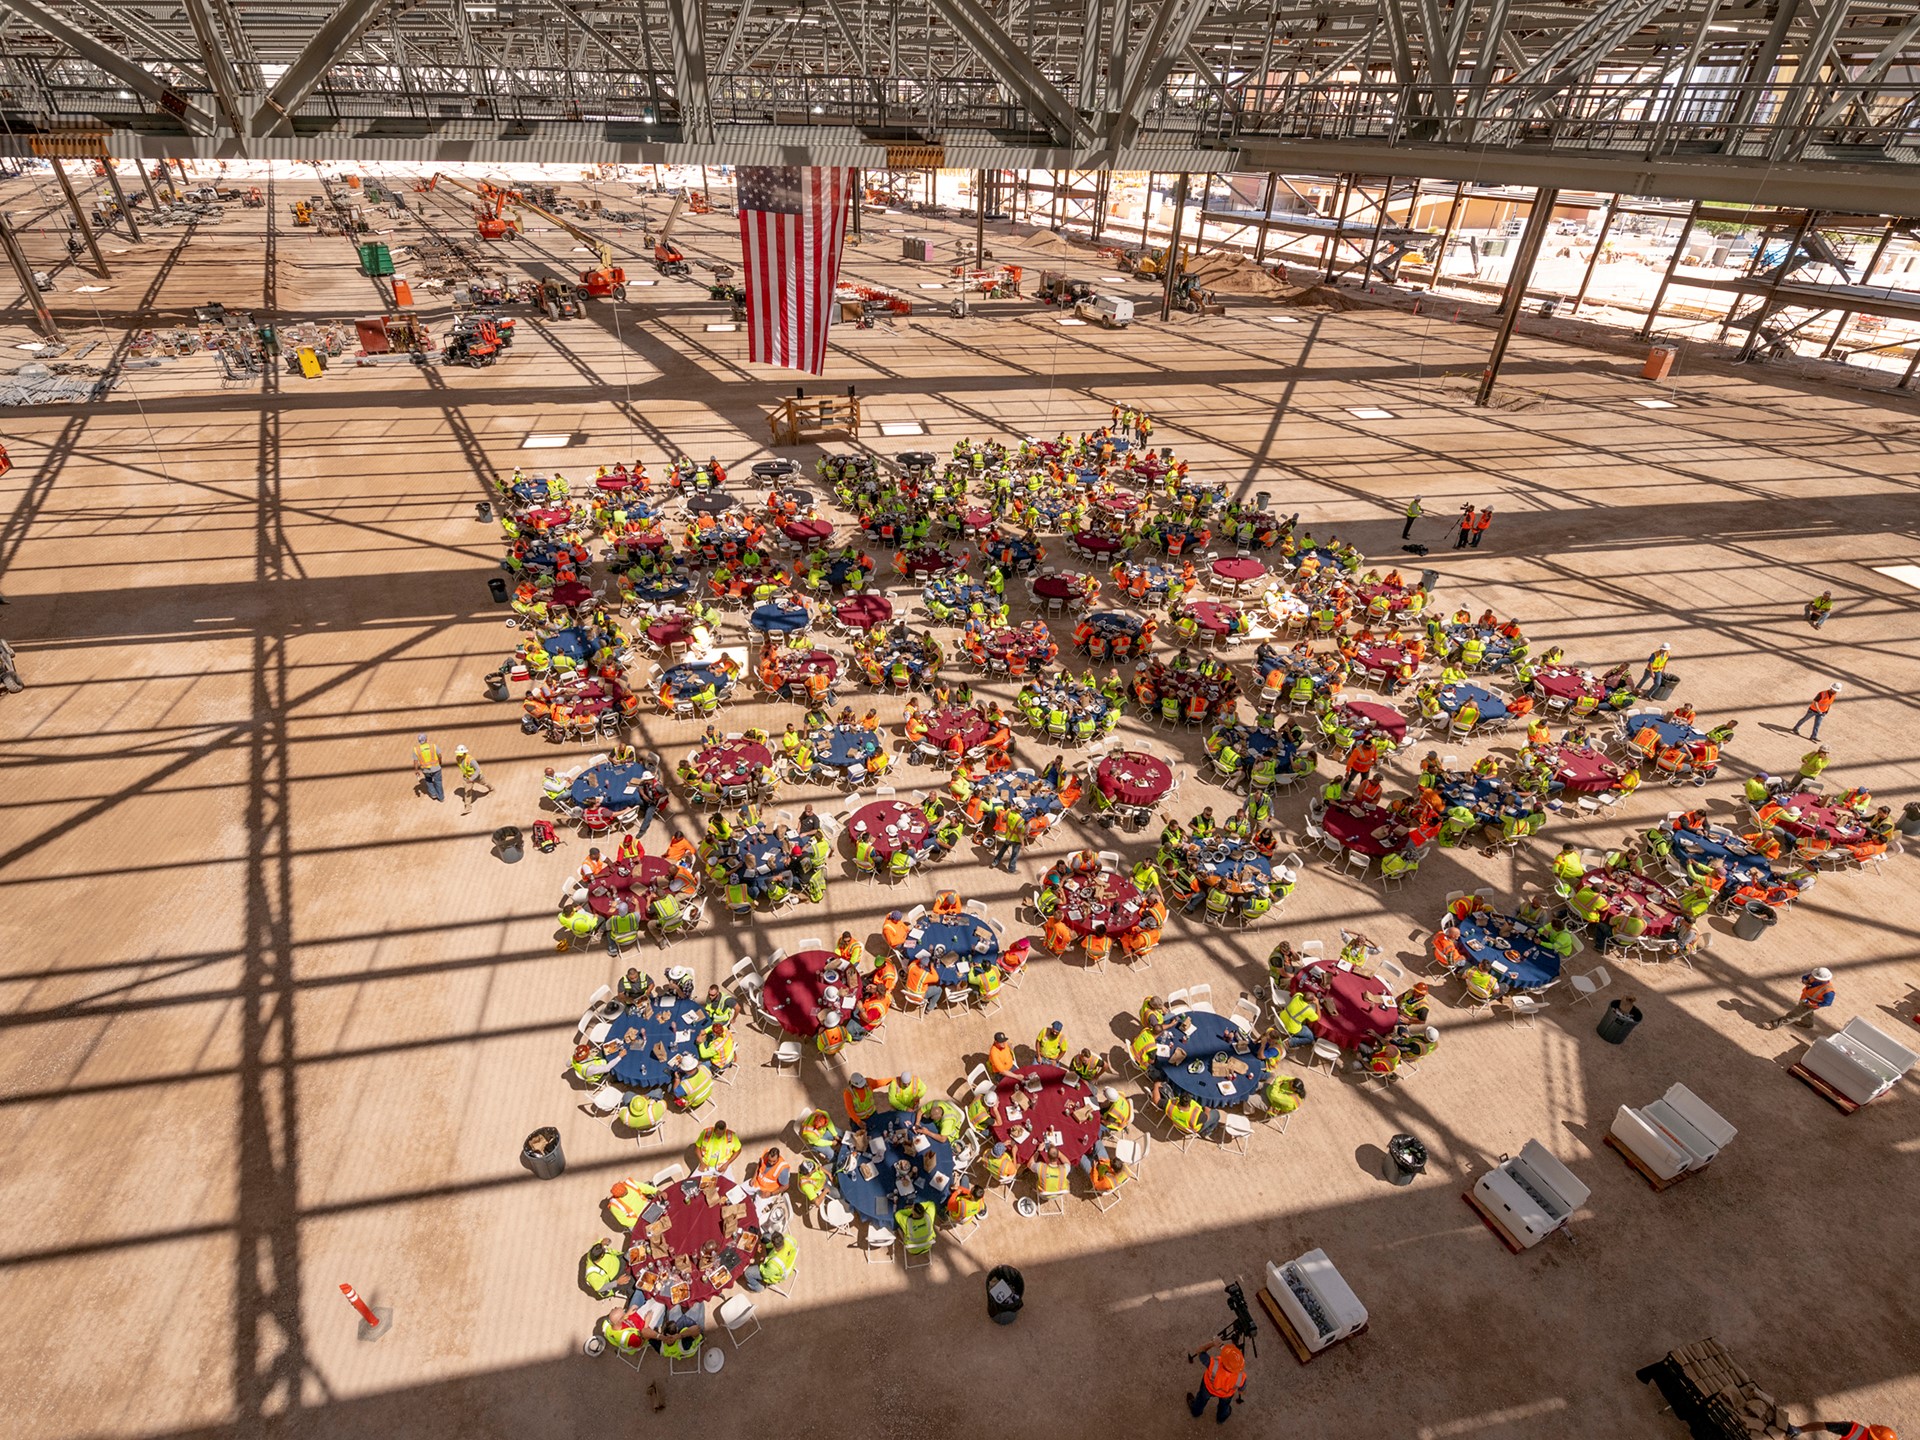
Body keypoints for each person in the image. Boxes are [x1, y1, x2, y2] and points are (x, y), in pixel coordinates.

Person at [1187, 1337, 1249, 1423]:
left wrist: (1213, 1343)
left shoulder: (1214, 1364)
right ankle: (1221, 1417)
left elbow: (1200, 1350)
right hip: (1226, 1394)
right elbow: (1241, 1391)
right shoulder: (1241, 1376)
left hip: (1208, 1388)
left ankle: (1196, 1411)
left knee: (1201, 1399)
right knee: (1224, 1405)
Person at [1764, 967, 1836, 1030]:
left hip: (1810, 1004)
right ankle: (1807, 1023)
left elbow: (1827, 1003)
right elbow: (1805, 977)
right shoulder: (1814, 976)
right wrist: (1804, 980)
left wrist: (1812, 1004)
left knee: (1793, 1015)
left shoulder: (1828, 991)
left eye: (1815, 978)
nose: (1812, 978)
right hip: (1804, 998)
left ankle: (1773, 1024)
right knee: (1807, 1012)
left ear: (1822, 980)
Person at [452, 744, 493, 813]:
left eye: (460, 754)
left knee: (485, 783)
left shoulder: (471, 760)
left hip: (477, 777)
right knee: (467, 792)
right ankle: (468, 808)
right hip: (467, 778)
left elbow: (478, 769)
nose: (459, 755)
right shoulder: (457, 759)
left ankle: (492, 789)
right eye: (458, 754)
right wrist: (466, 777)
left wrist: (472, 778)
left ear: (464, 753)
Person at [412, 732, 444, 802]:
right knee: (438, 782)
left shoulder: (416, 749)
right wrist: (440, 762)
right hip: (436, 768)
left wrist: (416, 770)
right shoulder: (433, 746)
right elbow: (440, 755)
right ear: (426, 739)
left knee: (429, 781)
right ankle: (441, 797)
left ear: (419, 741)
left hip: (425, 770)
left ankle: (433, 794)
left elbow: (415, 761)